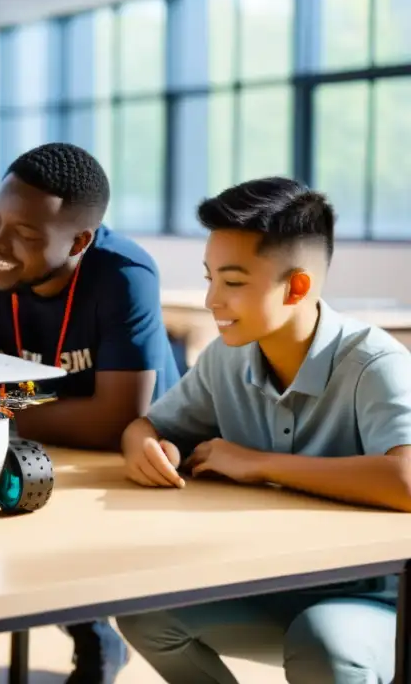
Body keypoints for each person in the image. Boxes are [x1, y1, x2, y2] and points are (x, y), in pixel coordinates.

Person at [116, 177, 407, 684]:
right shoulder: (225, 360)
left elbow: (406, 481)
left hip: (377, 603)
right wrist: (142, 445)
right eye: (209, 278)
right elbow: (149, 425)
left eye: (232, 282)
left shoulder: (374, 364)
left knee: (324, 643)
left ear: (296, 287)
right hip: (271, 582)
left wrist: (259, 464)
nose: (210, 299)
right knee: (146, 612)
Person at [0, 142, 181, 684]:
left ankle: (96, 637)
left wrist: (0, 412)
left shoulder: (124, 274)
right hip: (38, 448)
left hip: (135, 467)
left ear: (79, 240)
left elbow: (117, 419)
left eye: (24, 235)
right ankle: (89, 634)